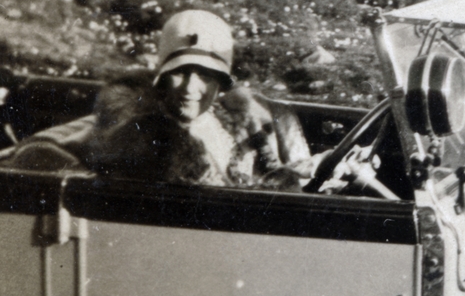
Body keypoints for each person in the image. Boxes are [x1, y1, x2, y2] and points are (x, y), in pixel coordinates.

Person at [81, 10, 314, 188]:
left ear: (222, 83)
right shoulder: (136, 130)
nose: (190, 88)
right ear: (161, 77)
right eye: (179, 73)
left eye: (205, 75)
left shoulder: (242, 122)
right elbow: (53, 148)